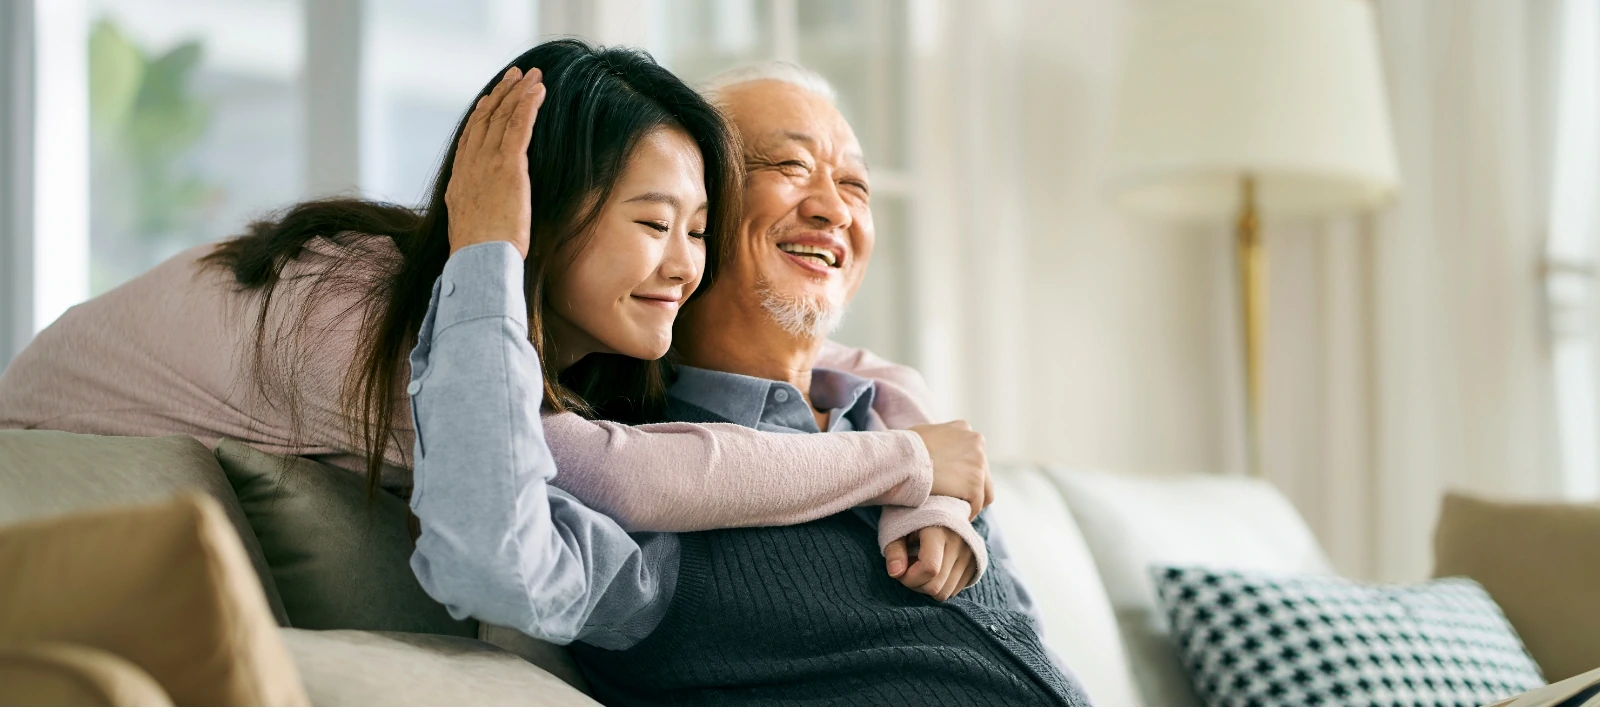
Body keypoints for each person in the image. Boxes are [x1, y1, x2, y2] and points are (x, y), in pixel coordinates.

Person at [0, 41, 989, 593]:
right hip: (48, 512)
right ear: (541, 215)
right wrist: (905, 464)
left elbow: (842, 363)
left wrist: (930, 470)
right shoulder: (362, 315)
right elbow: (570, 511)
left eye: (699, 229)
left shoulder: (585, 328)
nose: (683, 268)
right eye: (654, 223)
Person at [408, 59, 1091, 705]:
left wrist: (923, 468)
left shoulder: (912, 433)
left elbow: (1036, 657)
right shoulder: (629, 489)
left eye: (855, 185)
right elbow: (493, 561)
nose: (835, 209)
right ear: (693, 206)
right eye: (790, 166)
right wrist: (487, 252)